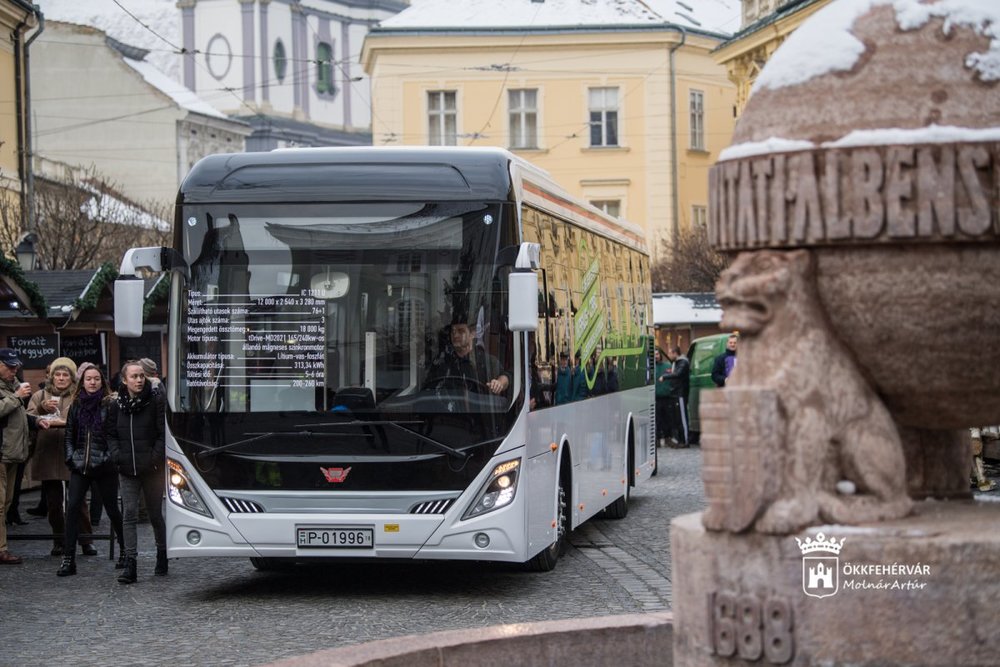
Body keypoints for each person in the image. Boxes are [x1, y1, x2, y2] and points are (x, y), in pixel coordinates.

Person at [58, 363, 126, 576]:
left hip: (105, 466)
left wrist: (109, 458)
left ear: (102, 382)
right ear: (82, 382)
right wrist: (71, 458)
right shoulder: (76, 405)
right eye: (88, 379)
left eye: (96, 379)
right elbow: (69, 435)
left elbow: (116, 436)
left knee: (112, 510)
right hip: (80, 466)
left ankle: (126, 552)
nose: (93, 382)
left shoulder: (110, 405)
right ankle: (68, 558)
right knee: (72, 509)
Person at [27, 358, 97, 557]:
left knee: (78, 500)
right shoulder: (40, 395)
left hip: (73, 454)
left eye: (65, 375)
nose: (61, 378)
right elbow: (28, 417)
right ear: (52, 377)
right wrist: (42, 409)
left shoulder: (79, 396)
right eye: (57, 374)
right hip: (48, 452)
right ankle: (59, 541)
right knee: (54, 503)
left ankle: (86, 541)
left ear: (72, 378)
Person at [107, 360, 166, 583]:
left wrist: (154, 457)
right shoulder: (116, 405)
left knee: (154, 514)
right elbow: (111, 433)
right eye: (134, 376)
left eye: (142, 376)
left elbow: (162, 433)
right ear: (125, 380)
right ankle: (130, 563)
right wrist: (117, 455)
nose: (139, 380)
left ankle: (162, 552)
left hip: (151, 468)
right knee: (129, 514)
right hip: (126, 467)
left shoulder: (155, 401)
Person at [0, 348, 47, 564]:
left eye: (16, 366)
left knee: (7, 502)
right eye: (9, 367)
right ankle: (1, 550)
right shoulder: (13, 391)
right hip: (2, 453)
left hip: (13, 454)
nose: (14, 370)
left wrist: (36, 421)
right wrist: (16, 397)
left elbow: (18, 416)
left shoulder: (12, 386)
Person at [424, 317, 510, 396]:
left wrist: (499, 383)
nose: (455, 335)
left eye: (461, 331)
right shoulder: (441, 362)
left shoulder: (486, 361)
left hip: (480, 407)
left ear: (472, 333)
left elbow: (507, 376)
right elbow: (428, 389)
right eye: (453, 331)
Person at [664, 346, 691, 447]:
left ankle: (685, 440)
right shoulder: (676, 363)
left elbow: (678, 374)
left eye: (670, 353)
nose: (669, 355)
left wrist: (665, 377)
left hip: (681, 393)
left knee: (682, 418)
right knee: (678, 418)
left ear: (675, 353)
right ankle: (680, 440)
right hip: (676, 392)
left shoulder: (683, 362)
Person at [655, 349, 672, 447]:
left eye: (657, 354)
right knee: (657, 420)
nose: (656, 356)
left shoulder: (667, 366)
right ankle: (657, 439)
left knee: (668, 419)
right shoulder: (651, 368)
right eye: (654, 354)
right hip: (656, 398)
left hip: (667, 396)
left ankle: (667, 438)